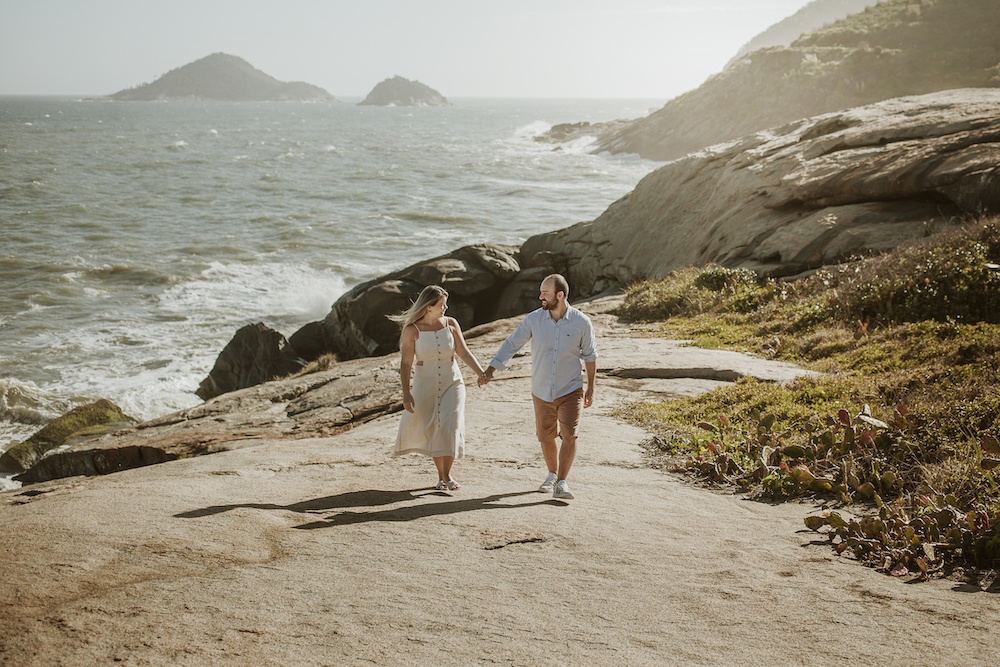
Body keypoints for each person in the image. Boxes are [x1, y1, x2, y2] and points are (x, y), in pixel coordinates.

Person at [478, 274, 597, 500]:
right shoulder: (534, 320)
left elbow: (590, 356)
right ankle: (551, 474)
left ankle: (562, 482)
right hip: (541, 390)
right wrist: (491, 370)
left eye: (545, 293)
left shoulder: (582, 322)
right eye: (541, 292)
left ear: (559, 296)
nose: (540, 296)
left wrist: (590, 388)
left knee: (570, 436)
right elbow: (512, 344)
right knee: (545, 437)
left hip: (571, 389)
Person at [389, 285, 486, 491]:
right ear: (428, 307)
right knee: (435, 426)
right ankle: (441, 477)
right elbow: (405, 364)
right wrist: (406, 394)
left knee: (450, 425)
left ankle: (448, 476)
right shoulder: (412, 331)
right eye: (442, 304)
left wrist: (480, 372)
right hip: (426, 384)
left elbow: (464, 352)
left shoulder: (451, 324)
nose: (446, 307)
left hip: (454, 381)